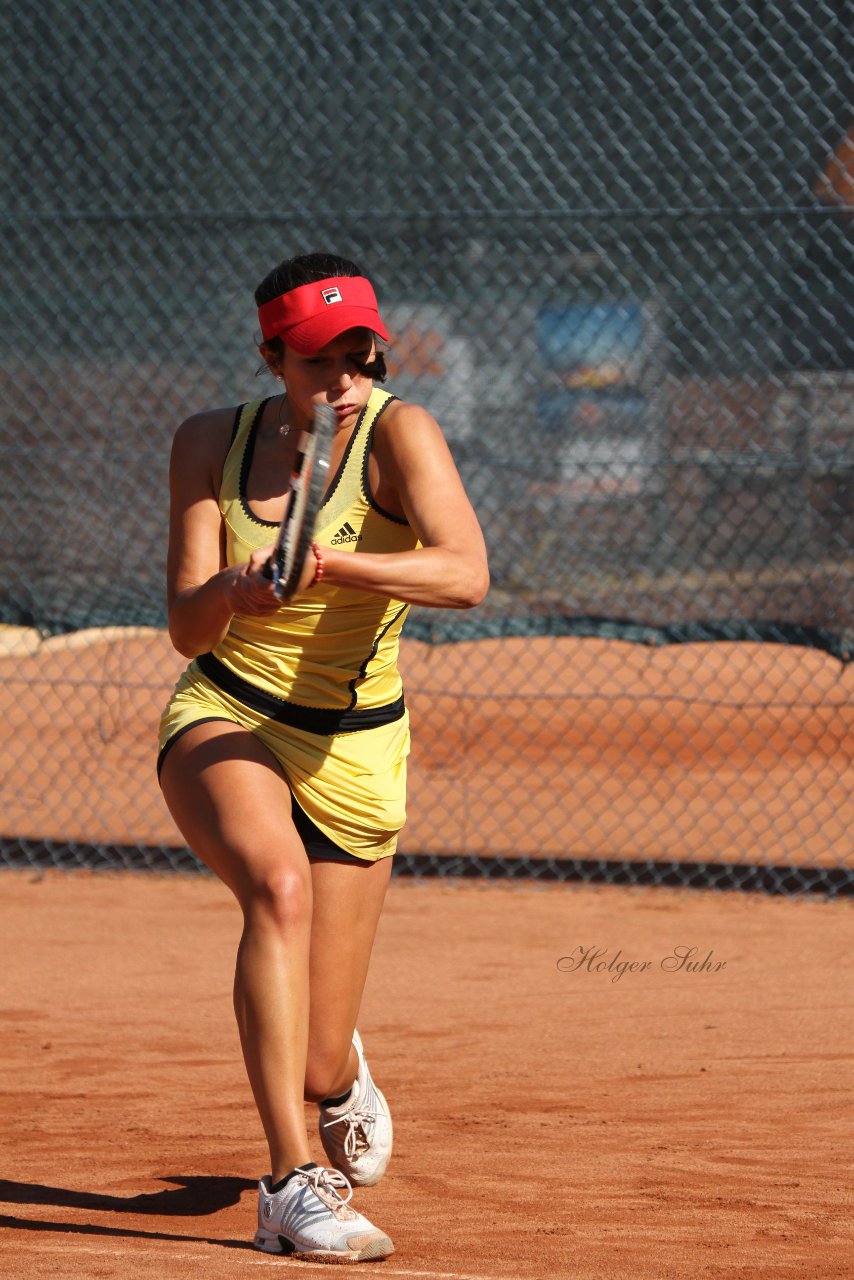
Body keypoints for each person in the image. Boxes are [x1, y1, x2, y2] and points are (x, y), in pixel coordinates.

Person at [157, 252, 489, 1262]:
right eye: (317, 360)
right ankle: (292, 1184)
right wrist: (234, 592)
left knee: (311, 1051)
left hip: (356, 744)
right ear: (271, 357)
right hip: (229, 712)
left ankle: (334, 1078)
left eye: (360, 353)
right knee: (276, 886)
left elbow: (465, 573)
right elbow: (183, 625)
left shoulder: (400, 432)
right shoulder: (208, 443)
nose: (344, 378)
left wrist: (329, 561)